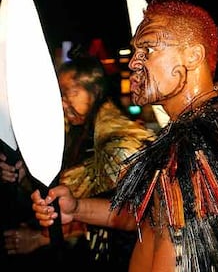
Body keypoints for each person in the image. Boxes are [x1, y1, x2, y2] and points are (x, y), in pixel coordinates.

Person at [31, 0, 218, 272]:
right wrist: (76, 208)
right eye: (135, 51)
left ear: (193, 55)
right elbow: (149, 217)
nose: (133, 63)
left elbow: (188, 258)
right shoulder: (185, 137)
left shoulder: (201, 148)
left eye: (148, 49)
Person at [1, 48, 155, 271]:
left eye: (68, 92)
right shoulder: (72, 130)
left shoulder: (121, 141)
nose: (62, 104)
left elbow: (136, 215)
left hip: (119, 257)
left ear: (95, 89)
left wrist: (41, 239)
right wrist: (24, 172)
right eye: (59, 96)